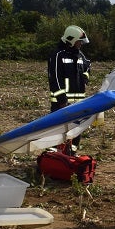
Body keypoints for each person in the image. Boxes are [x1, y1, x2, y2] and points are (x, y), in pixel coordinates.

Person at [48, 25, 91, 154]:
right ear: (71, 40)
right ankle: (54, 156)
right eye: (79, 41)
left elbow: (88, 65)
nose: (81, 44)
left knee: (76, 129)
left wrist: (85, 76)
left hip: (78, 102)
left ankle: (72, 153)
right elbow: (54, 79)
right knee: (58, 129)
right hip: (61, 103)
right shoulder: (57, 56)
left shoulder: (79, 55)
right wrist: (62, 100)